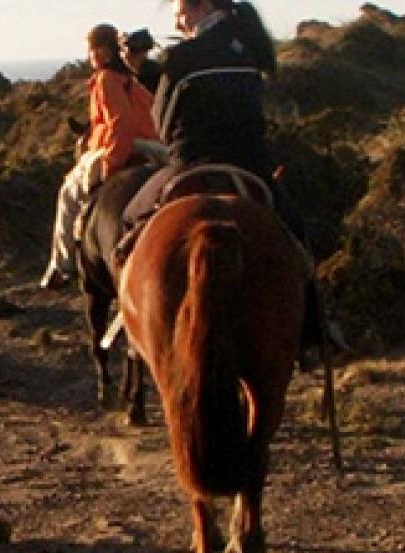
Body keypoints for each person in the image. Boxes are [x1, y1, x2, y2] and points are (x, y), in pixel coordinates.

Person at [122, 0, 331, 357]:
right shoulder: (248, 50)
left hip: (191, 163)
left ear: (200, 7)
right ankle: (315, 330)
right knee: (298, 239)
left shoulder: (181, 56)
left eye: (180, 12)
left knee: (129, 222)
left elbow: (164, 122)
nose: (177, 19)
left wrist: (142, 72)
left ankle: (132, 328)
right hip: (249, 165)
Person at [42, 24, 161, 289]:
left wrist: (111, 163)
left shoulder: (106, 79)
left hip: (125, 146)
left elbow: (121, 124)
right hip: (156, 148)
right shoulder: (132, 80)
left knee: (69, 193)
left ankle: (62, 265)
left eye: (92, 49)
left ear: (104, 51)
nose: (89, 56)